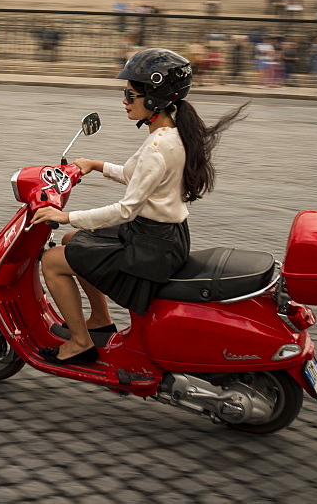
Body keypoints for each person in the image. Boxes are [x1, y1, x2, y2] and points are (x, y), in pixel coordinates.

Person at [30, 49, 248, 364]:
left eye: (130, 94)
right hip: (161, 236)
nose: (125, 101)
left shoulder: (158, 147)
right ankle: (100, 321)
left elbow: (125, 209)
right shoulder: (170, 133)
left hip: (151, 246)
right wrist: (95, 164)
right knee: (71, 242)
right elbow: (136, 177)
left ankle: (80, 343)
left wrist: (65, 216)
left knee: (52, 260)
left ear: (155, 98)